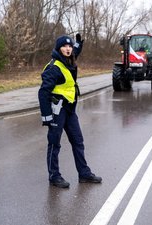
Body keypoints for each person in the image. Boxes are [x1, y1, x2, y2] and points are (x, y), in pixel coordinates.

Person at [38, 34, 102, 188]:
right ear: (58, 48)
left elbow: (75, 53)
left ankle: (84, 173)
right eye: (64, 46)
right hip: (57, 111)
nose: (68, 49)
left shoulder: (68, 60)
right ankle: (54, 176)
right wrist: (46, 116)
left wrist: (78, 44)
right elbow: (43, 93)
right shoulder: (54, 67)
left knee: (78, 141)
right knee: (54, 143)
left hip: (70, 110)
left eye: (69, 46)